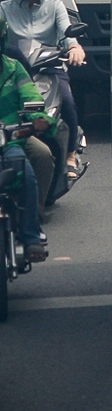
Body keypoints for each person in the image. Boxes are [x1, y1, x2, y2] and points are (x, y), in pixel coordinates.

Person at [1, 0, 82, 171]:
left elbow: (67, 34)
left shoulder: (55, 6)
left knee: (67, 100)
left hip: (49, 68)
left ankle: (71, 153)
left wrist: (74, 48)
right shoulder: (5, 8)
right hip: (14, 70)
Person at [0, 23, 50, 255]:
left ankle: (31, 233)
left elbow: (31, 95)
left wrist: (39, 117)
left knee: (27, 172)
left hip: (10, 140)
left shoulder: (13, 67)